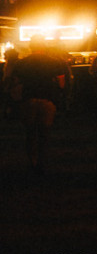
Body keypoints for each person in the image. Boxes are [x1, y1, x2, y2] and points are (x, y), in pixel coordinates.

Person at [15, 40, 68, 176]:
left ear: (31, 47)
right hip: (47, 100)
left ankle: (32, 161)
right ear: (43, 46)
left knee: (30, 132)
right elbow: (62, 84)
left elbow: (15, 83)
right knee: (44, 133)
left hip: (29, 99)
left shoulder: (22, 63)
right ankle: (42, 162)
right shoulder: (54, 62)